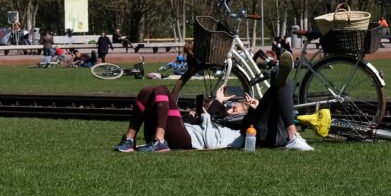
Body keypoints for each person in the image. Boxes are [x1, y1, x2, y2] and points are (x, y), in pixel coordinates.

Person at [114, 54, 309, 152]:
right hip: (183, 131)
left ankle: (159, 141)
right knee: (149, 90)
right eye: (231, 105)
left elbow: (247, 121)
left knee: (161, 90)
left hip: (191, 137)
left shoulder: (243, 125)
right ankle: (130, 140)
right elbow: (214, 116)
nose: (231, 107)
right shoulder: (224, 117)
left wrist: (251, 107)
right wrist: (218, 102)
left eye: (236, 105)